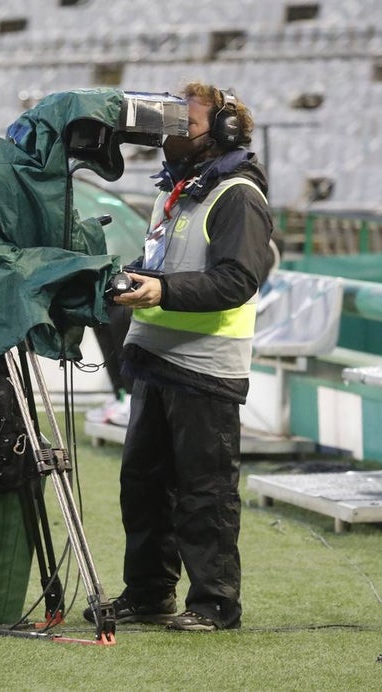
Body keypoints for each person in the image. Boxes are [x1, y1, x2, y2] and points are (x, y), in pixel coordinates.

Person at [85, 82, 274, 632]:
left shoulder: (237, 195)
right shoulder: (181, 193)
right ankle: (148, 593)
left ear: (223, 132)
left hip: (206, 367)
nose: (169, 135)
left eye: (183, 125)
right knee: (142, 487)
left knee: (204, 494)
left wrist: (161, 291)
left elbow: (237, 281)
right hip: (155, 359)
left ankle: (215, 604)